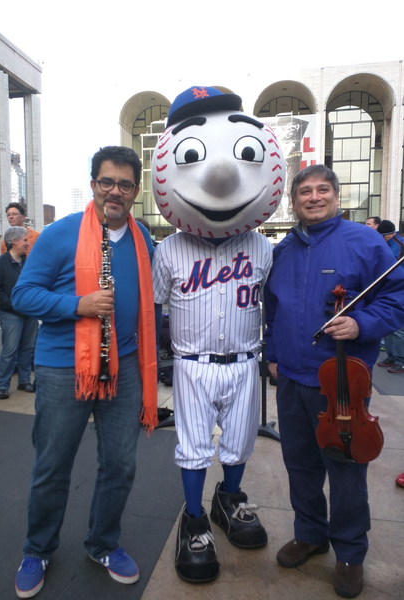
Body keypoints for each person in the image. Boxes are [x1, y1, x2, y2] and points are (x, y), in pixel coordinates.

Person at [151, 86, 286, 583]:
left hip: (245, 360)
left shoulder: (265, 248)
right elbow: (155, 308)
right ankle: (193, 521)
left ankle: (228, 502)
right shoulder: (168, 251)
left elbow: (280, 304)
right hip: (191, 363)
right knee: (192, 445)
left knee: (239, 443)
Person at [11, 146, 158, 599]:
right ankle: (37, 549)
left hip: (126, 368)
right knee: (53, 466)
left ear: (136, 191)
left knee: (121, 465)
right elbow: (23, 296)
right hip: (62, 370)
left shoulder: (143, 239)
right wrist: (78, 306)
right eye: (107, 182)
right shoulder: (59, 234)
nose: (115, 191)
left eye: (125, 184)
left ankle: (103, 543)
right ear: (94, 183)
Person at [264, 164, 404, 598]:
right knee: (300, 465)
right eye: (304, 191)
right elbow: (272, 310)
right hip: (290, 378)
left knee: (345, 470)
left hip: (341, 382)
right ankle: (310, 533)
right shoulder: (282, 249)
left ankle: (349, 552)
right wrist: (271, 356)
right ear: (294, 201)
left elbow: (396, 297)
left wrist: (360, 323)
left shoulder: (365, 241)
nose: (313, 197)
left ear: (337, 197)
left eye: (322, 189)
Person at [0, 226, 37, 399]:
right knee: (9, 350)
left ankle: (24, 381)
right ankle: (2, 385)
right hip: (10, 314)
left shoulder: (29, 263)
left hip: (29, 313)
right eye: (25, 240)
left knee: (28, 348)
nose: (28, 244)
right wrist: (15, 306)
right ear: (14, 242)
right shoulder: (1, 263)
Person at [376, 220, 404, 374]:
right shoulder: (386, 245)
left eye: (384, 236)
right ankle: (392, 355)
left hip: (401, 289)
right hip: (388, 289)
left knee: (399, 327)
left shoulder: (400, 244)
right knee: (389, 324)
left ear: (391, 233)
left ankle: (401, 360)